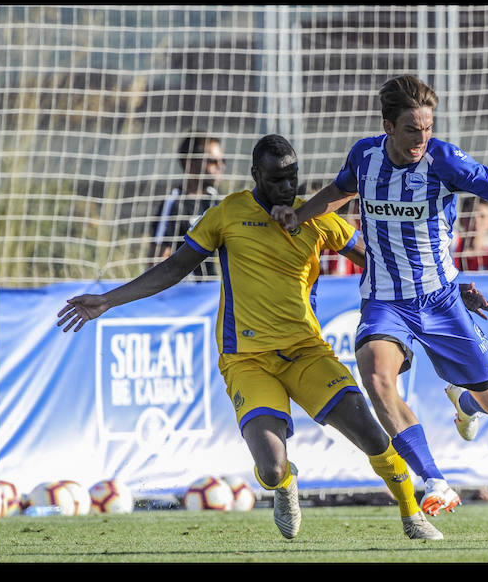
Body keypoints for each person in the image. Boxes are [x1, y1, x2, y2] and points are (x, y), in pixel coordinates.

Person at [57, 134, 445, 541]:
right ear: (256, 175)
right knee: (272, 468)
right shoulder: (228, 214)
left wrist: (431, 300)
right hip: (246, 360)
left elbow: (380, 263)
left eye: (293, 177)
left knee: (370, 433)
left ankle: (412, 515)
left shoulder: (314, 217)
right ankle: (285, 486)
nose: (287, 187)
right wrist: (107, 300)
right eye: (277, 179)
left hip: (306, 353)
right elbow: (174, 268)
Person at [270, 74, 488, 517]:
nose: (421, 139)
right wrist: (298, 216)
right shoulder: (365, 156)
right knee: (377, 378)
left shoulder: (444, 161)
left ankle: (464, 400)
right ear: (388, 126)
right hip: (385, 302)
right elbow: (338, 193)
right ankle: (435, 479)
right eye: (412, 130)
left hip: (441, 300)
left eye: (428, 128)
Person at [150, 134, 225, 278]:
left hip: (210, 291)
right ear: (191, 164)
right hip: (183, 293)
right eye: (212, 161)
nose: (220, 167)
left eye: (223, 161)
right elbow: (157, 259)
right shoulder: (174, 203)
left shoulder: (216, 200)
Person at [453, 197, 488, 272]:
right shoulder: (450, 248)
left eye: (482, 216)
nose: (476, 220)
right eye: (470, 215)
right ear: (461, 220)